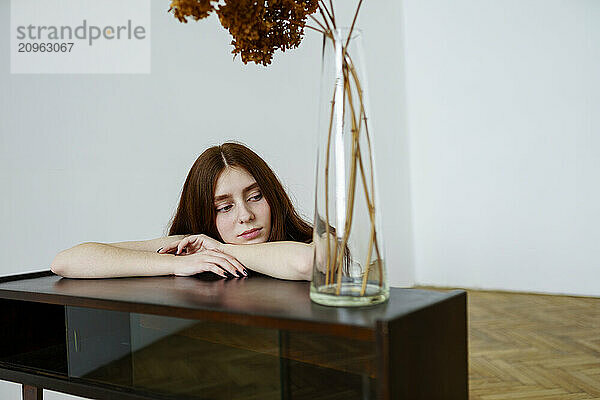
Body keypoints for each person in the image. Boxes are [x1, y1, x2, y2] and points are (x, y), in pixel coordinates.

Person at [51, 142, 314, 281]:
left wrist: (219, 249)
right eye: (224, 207)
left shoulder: (314, 242)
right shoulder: (191, 247)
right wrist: (177, 264)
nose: (245, 215)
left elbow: (306, 263)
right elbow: (66, 261)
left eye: (255, 197)